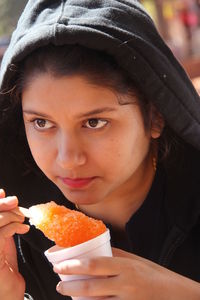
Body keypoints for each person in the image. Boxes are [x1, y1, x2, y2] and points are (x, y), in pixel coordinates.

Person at [0, 0, 200, 299]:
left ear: (155, 117)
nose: (68, 159)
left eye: (94, 122)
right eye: (41, 122)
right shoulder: (16, 244)